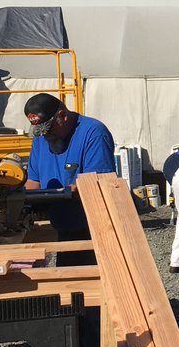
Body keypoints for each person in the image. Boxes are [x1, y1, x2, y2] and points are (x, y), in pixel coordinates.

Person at [23, 93, 115, 257]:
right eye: (40, 131)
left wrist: (60, 194)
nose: (45, 136)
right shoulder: (41, 139)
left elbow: (96, 183)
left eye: (48, 129)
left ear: (62, 116)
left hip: (92, 230)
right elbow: (33, 180)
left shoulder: (93, 133)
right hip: (62, 226)